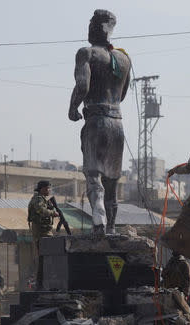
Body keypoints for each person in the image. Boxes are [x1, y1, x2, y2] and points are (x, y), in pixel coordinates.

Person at [68, 9, 131, 235]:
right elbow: (122, 94)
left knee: (93, 174)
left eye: (91, 22)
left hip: (96, 120)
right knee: (112, 179)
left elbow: (82, 85)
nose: (89, 27)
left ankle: (99, 220)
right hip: (117, 123)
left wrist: (72, 107)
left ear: (97, 26)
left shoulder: (86, 53)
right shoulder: (124, 58)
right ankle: (112, 227)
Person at [28, 180, 59, 289]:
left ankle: (45, 281)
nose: (49, 190)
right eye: (47, 188)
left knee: (47, 259)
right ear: (41, 189)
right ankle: (41, 282)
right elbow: (40, 210)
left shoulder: (42, 199)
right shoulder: (37, 199)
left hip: (45, 232)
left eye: (49, 188)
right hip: (41, 233)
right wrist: (52, 213)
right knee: (44, 259)